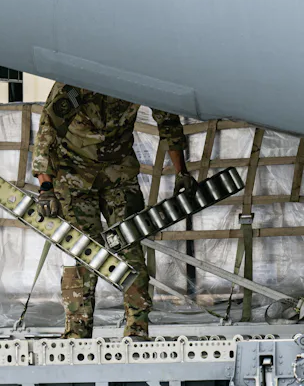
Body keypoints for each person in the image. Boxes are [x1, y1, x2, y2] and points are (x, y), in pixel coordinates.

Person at [32, 83, 194, 340]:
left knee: (129, 247)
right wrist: (46, 187)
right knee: (82, 251)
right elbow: (47, 133)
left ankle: (137, 330)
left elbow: (169, 123)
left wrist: (182, 171)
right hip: (73, 176)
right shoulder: (75, 83)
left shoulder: (140, 77)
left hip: (118, 174)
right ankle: (77, 332)